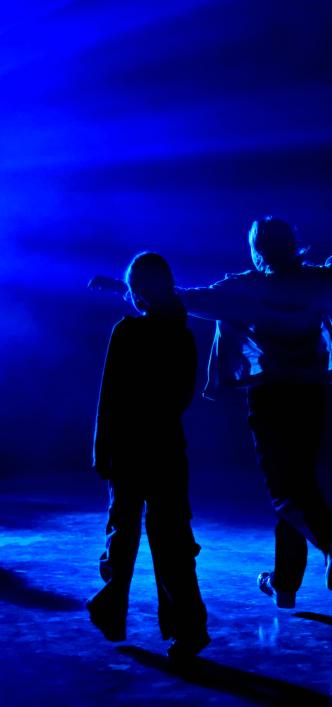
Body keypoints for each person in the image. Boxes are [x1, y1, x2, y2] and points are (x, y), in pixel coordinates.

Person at [90, 206, 332, 610]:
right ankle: (285, 584)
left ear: (257, 250)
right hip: (311, 395)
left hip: (272, 397)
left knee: (285, 491)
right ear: (292, 245)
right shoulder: (315, 281)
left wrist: (123, 286)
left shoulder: (245, 289)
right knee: (298, 484)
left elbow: (180, 297)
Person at [86, 252, 210, 660]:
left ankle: (111, 609)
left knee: (123, 530)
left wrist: (102, 448)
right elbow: (182, 397)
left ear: (136, 291)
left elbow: (109, 397)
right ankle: (187, 629)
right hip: (166, 445)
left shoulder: (127, 332)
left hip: (127, 446)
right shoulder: (182, 335)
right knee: (173, 536)